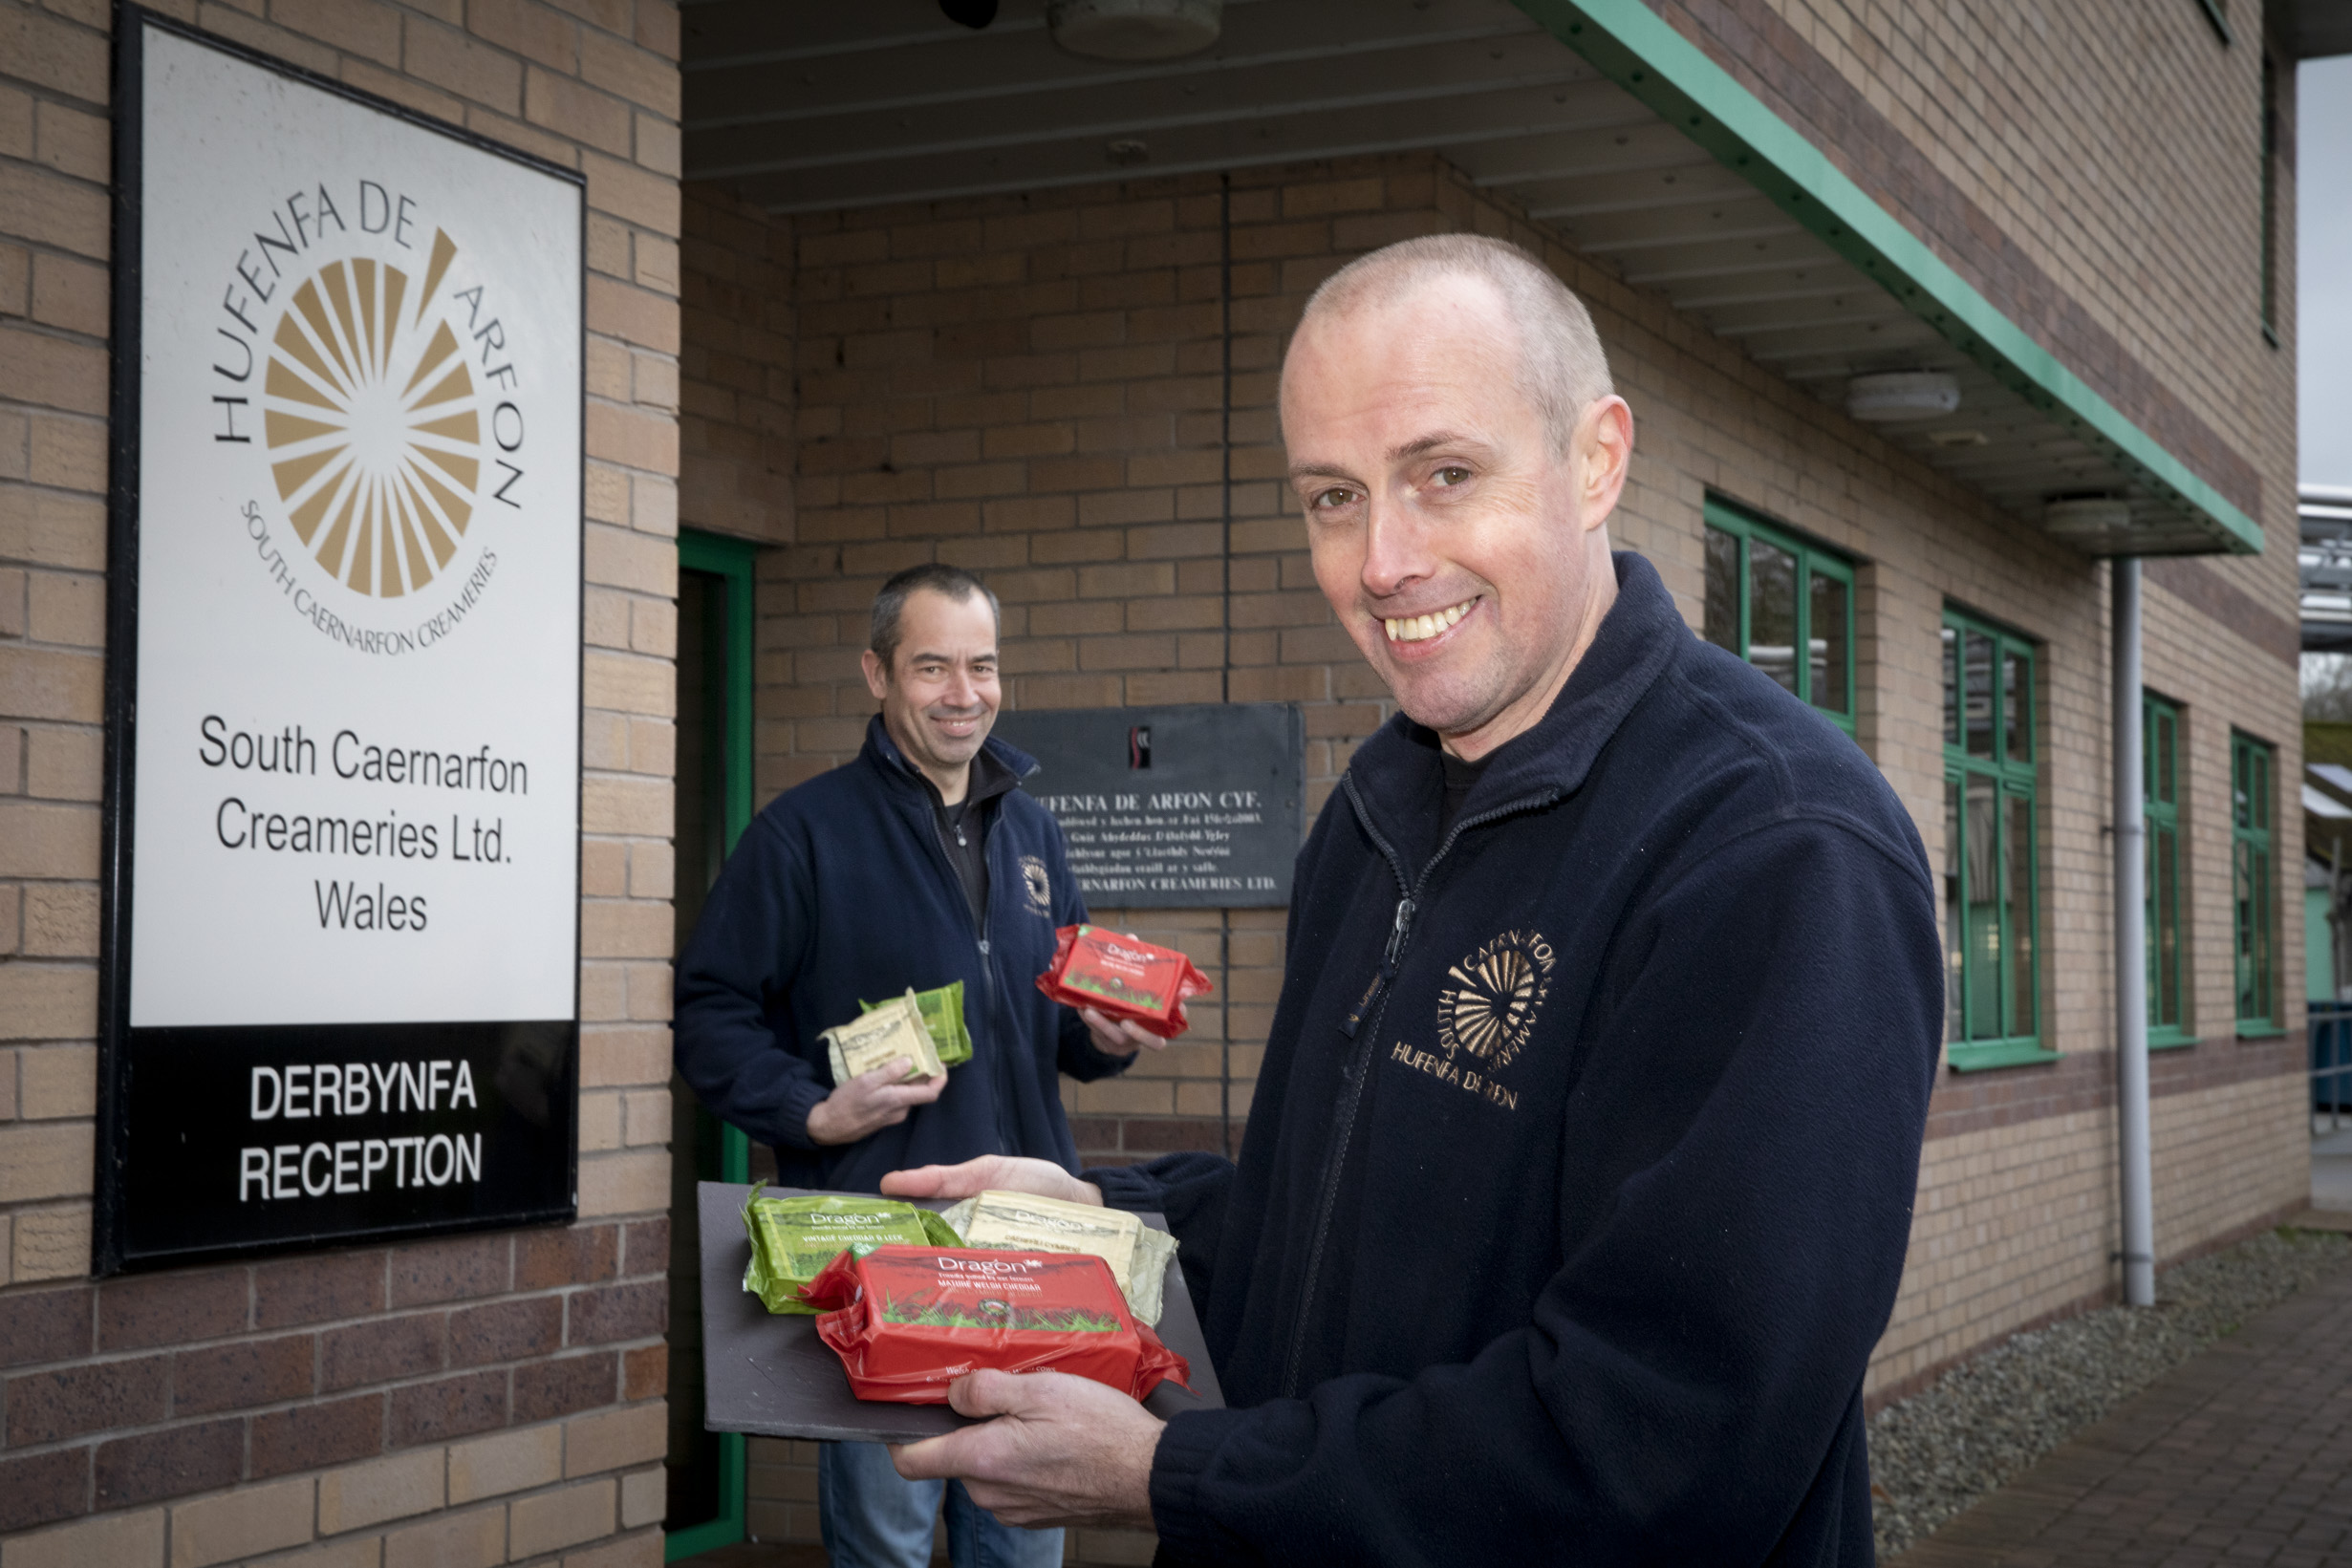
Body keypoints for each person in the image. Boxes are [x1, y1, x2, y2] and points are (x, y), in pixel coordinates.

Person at [880, 235, 1944, 1565]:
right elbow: (1348, 1224)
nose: (1382, 561)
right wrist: (1109, 1226)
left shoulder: (1777, 851)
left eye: (1444, 475)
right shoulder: (1380, 810)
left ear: (1597, 458)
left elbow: (1663, 1439)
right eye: (1333, 496)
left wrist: (1182, 1474)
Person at [674, 562, 1167, 1568]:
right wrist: (813, 1113)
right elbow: (708, 1013)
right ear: (877, 675)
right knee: (886, 1543)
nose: (963, 692)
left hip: (1030, 1253)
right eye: (932, 666)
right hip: (880, 1256)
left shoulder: (1032, 831)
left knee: (1024, 1536)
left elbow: (1050, 1026)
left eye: (981, 666)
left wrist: (1101, 1039)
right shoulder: (803, 834)